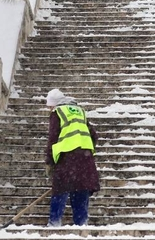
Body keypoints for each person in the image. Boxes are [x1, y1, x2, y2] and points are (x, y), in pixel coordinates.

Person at [44, 88, 100, 227]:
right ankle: (81, 226)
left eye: (50, 106)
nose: (49, 109)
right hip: (85, 160)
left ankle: (54, 225)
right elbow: (94, 135)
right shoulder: (79, 111)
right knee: (80, 190)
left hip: (67, 158)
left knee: (60, 191)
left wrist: (50, 162)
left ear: (54, 105)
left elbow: (53, 138)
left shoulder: (58, 112)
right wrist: (85, 150)